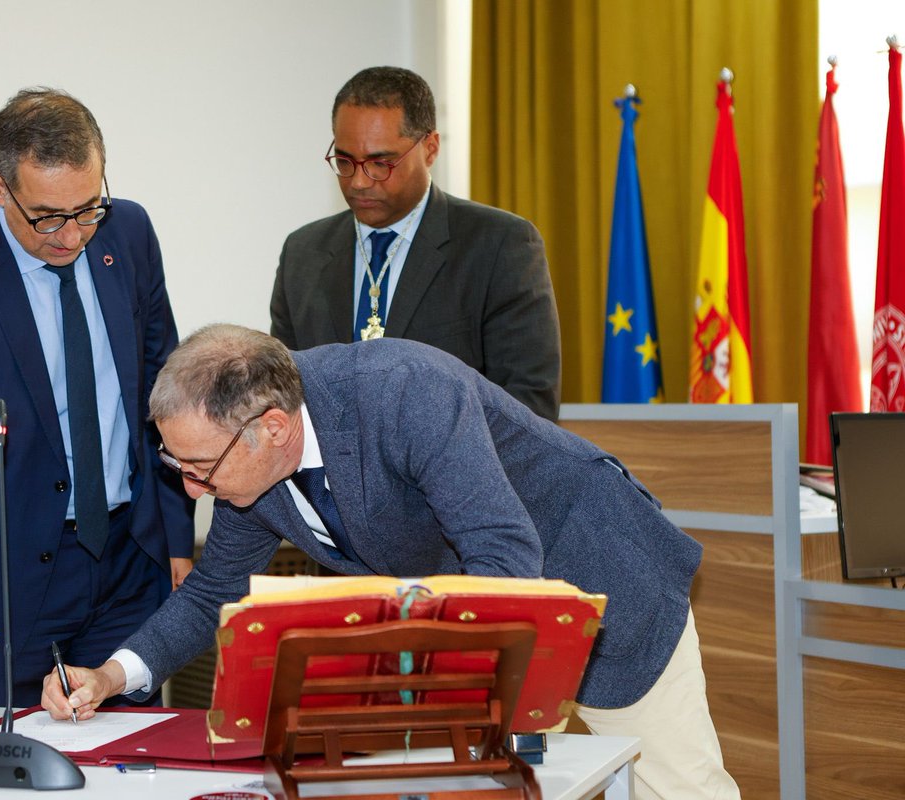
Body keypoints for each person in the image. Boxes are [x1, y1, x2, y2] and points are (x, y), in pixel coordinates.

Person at [42, 324, 740, 800]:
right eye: (178, 466)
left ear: (272, 427)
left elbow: (503, 553)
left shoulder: (406, 389)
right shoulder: (246, 471)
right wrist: (110, 674)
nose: (192, 490)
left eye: (199, 467)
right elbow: (209, 594)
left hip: (598, 572)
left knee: (675, 787)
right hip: (483, 611)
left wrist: (395, 673)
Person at [0, 87, 195, 708]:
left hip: (130, 564)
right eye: (47, 216)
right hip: (4, 590)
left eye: (88, 208)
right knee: (1, 756)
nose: (72, 235)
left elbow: (166, 391)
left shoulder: (128, 233)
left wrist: (177, 536)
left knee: (131, 753)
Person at [270, 66, 561, 421]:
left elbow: (528, 412)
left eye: (380, 163)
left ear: (430, 148)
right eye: (345, 161)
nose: (359, 182)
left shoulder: (499, 245)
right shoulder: (303, 253)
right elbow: (282, 401)